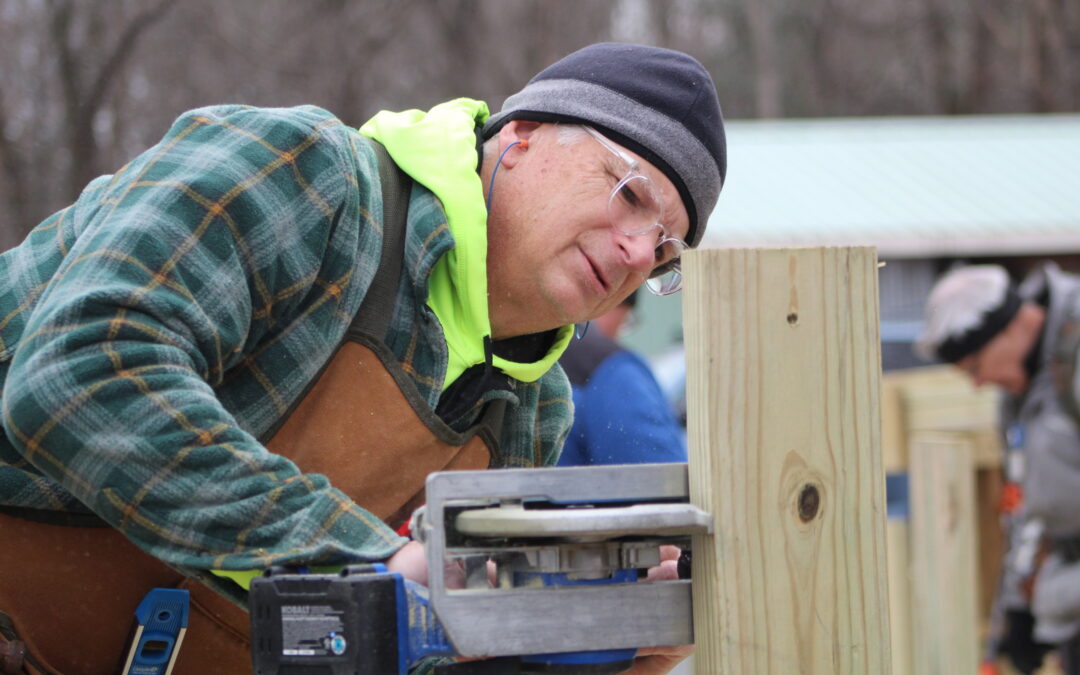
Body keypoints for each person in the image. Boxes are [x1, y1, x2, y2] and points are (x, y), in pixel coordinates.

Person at [0, 42, 726, 674]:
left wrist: (600, 660)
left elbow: (405, 654)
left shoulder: (530, 411)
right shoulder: (305, 176)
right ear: (524, 136)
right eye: (630, 193)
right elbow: (78, 375)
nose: (638, 252)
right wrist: (367, 563)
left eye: (665, 249)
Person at [916, 262, 1080, 674]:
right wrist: (1017, 614)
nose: (977, 383)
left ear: (1007, 328)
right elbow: (1024, 510)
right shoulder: (1019, 399)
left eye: (974, 367)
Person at [558, 289, 686, 466]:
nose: (618, 335)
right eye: (627, 321)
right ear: (610, 303)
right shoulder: (611, 371)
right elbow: (660, 480)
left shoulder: (524, 350)